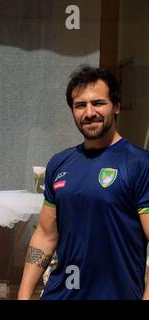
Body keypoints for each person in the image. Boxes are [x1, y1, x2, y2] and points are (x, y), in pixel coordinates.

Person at [18, 65, 149, 300]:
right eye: (80, 105)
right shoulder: (59, 164)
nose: (89, 112)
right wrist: (24, 295)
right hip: (60, 294)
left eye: (98, 103)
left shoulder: (140, 164)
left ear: (116, 106)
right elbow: (46, 235)